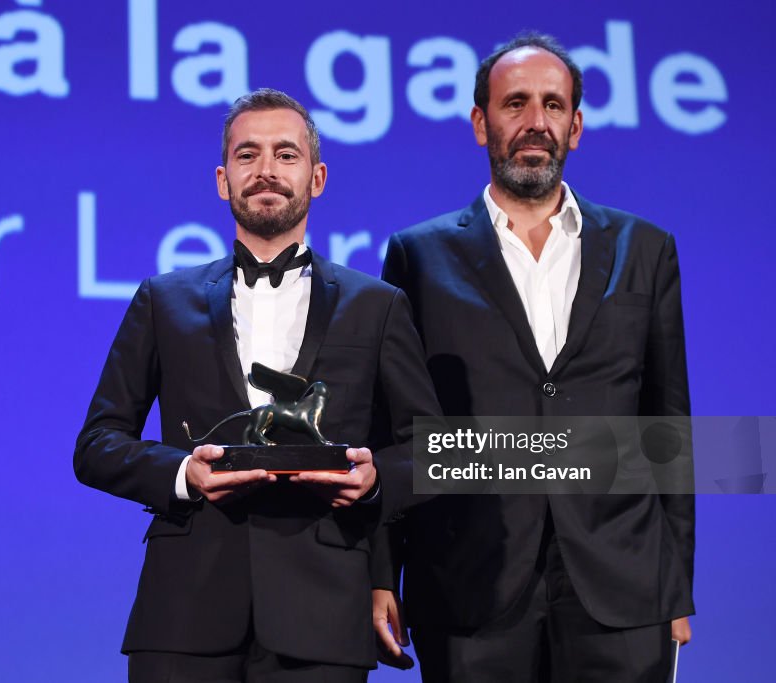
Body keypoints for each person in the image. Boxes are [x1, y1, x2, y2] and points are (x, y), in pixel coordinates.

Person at [74, 88, 440, 682]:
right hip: (184, 615)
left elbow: (432, 451)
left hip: (323, 616)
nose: (266, 170)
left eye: (285, 154)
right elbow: (96, 444)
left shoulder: (378, 306)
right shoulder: (163, 300)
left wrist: (375, 485)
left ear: (317, 177)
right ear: (222, 180)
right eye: (248, 155)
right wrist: (182, 476)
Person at [373, 33, 695, 682]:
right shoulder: (418, 255)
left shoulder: (646, 249)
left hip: (623, 584)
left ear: (575, 127)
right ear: (480, 122)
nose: (535, 122)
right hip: (469, 581)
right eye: (515, 103)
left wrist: (676, 584)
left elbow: (666, 423)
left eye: (552, 105)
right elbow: (392, 427)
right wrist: (382, 571)